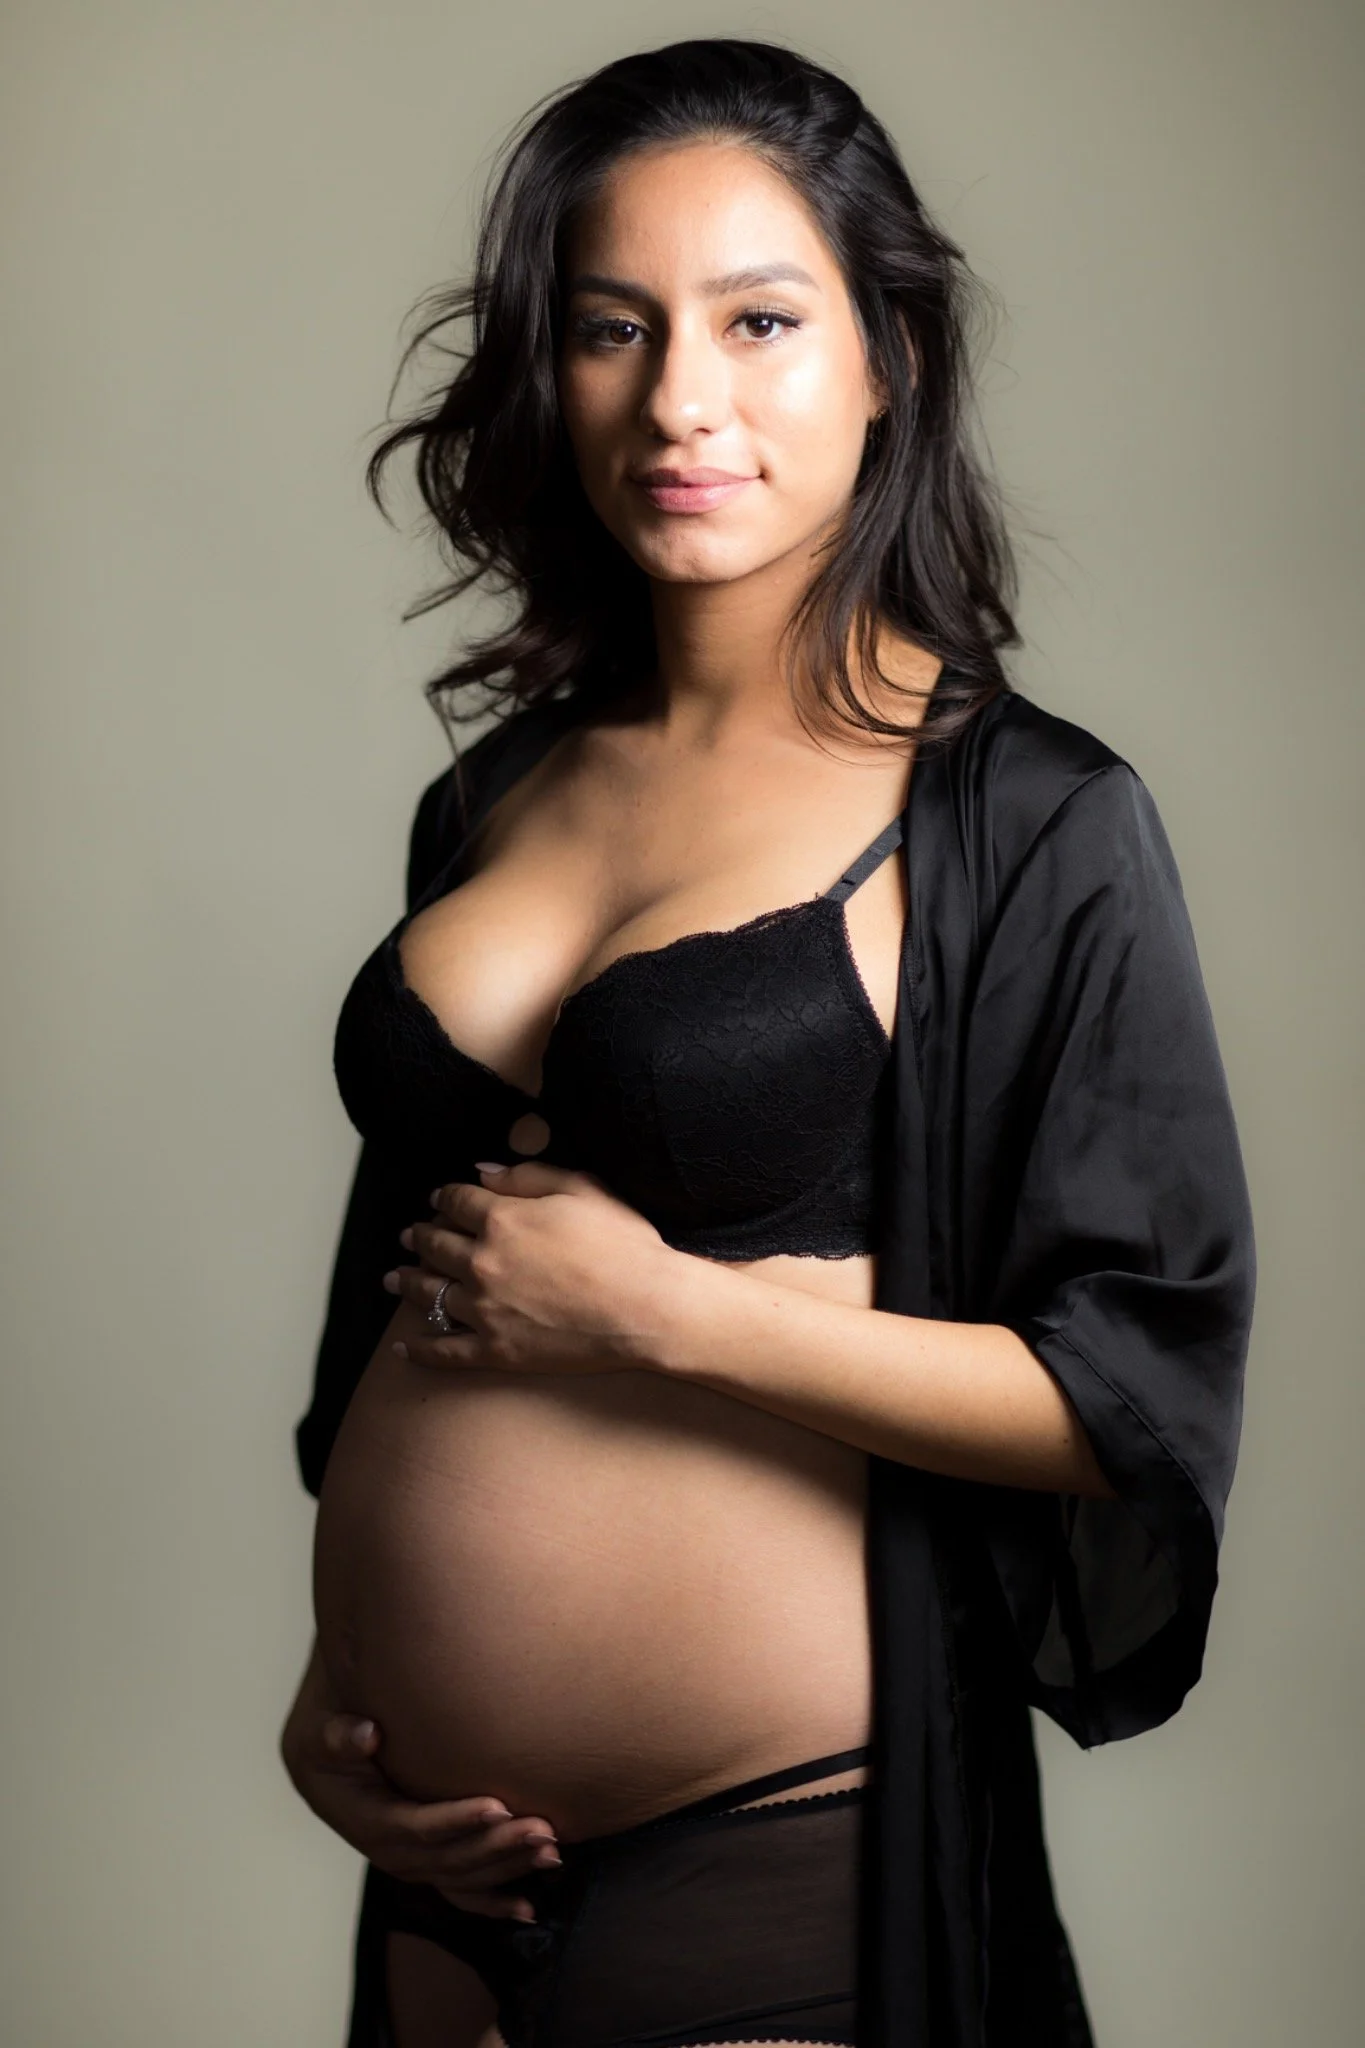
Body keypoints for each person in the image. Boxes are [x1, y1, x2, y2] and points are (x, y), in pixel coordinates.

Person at [281, 38, 1255, 2048]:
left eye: (758, 321)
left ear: (890, 354)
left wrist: (672, 1317)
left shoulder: (1029, 824)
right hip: (439, 1861)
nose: (677, 399)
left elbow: (1130, 1397)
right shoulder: (497, 796)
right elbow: (414, 1291)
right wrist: (334, 1683)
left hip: (775, 1858)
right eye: (611, 328)